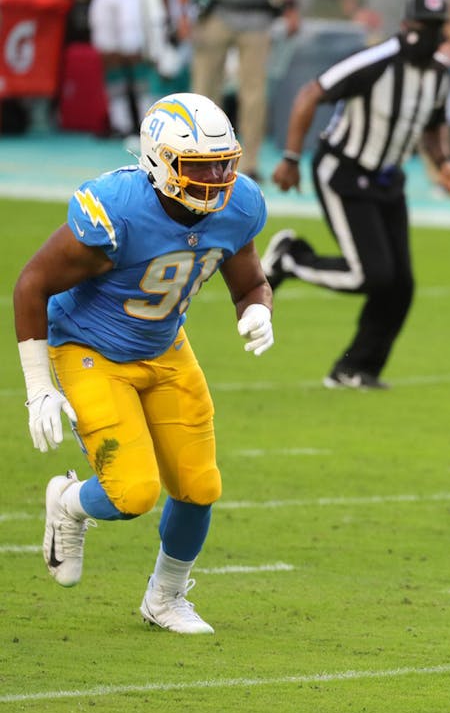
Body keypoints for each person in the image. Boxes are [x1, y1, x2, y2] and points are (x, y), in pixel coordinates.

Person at [13, 93, 275, 634]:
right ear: (160, 162)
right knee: (132, 493)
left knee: (200, 487)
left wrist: (258, 310)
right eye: (201, 167)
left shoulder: (237, 205)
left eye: (224, 163)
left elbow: (249, 282)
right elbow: (31, 284)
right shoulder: (117, 209)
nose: (218, 178)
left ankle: (166, 597)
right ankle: (67, 501)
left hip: (164, 347)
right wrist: (38, 385)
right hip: (92, 350)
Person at [262, 0, 450, 389]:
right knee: (369, 274)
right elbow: (310, 94)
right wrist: (290, 157)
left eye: (435, 26)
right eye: (422, 26)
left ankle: (355, 368)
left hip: (388, 180)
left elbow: (431, 127)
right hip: (343, 171)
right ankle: (290, 258)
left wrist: (444, 165)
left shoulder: (440, 75)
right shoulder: (376, 61)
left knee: (400, 285)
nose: (427, 35)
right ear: (407, 23)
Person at [182, 0, 302, 182]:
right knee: (203, 93)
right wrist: (183, 12)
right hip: (214, 12)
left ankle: (249, 165)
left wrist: (291, 8)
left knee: (255, 96)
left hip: (258, 15)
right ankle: (199, 156)